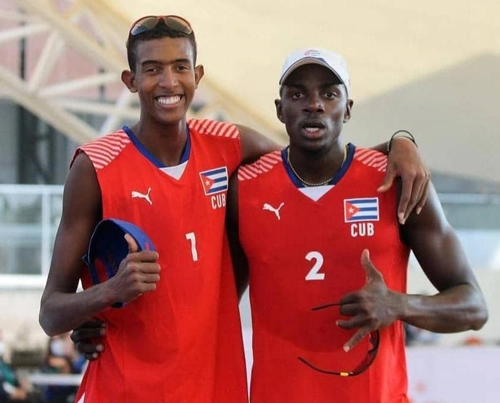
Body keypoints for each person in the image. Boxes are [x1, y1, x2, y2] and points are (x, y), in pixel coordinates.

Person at [39, 15, 428, 403]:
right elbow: (51, 313)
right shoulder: (95, 166)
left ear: (198, 75)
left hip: (215, 388)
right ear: (131, 80)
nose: (169, 82)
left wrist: (398, 144)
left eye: (180, 67)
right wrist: (107, 293)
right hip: (124, 389)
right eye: (152, 69)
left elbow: (313, 160)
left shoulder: (228, 144)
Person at [225, 48, 488, 403]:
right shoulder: (244, 190)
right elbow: (217, 304)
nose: (314, 104)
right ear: (280, 110)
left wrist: (399, 305)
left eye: (330, 94)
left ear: (347, 109)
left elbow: (473, 307)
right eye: (298, 94)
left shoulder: (396, 181)